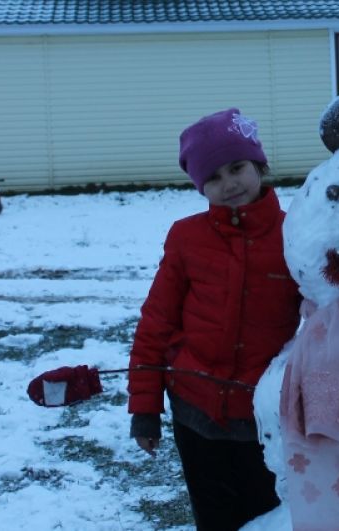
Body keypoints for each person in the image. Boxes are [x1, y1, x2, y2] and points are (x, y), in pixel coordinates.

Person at [127, 108, 301, 531]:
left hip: (264, 415)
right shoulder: (187, 237)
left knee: (270, 517)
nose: (229, 184)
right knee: (216, 518)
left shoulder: (296, 234)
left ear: (259, 165)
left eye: (237, 168)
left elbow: (325, 318)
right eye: (214, 178)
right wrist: (145, 406)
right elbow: (156, 322)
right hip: (195, 412)